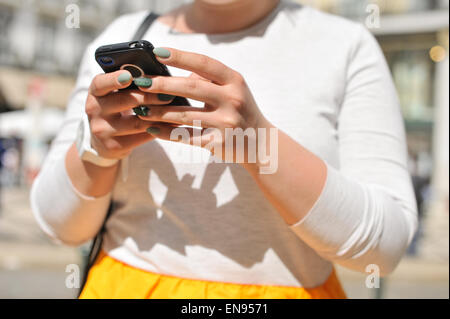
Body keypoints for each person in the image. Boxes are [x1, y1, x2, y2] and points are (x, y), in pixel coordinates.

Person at [30, 0, 418, 299]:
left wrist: (260, 145)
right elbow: (60, 227)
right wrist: (97, 151)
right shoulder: (123, 30)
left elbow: (382, 252)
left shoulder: (345, 45)